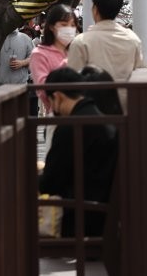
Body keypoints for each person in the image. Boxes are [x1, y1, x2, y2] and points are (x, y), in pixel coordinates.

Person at [39, 66, 118, 238]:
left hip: (80, 219)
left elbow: (49, 184)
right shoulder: (103, 119)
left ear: (58, 96)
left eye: (51, 101)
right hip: (104, 213)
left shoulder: (70, 128)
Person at [67, 0, 144, 108]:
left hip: (91, 109)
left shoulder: (82, 42)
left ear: (95, 10)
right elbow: (139, 71)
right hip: (125, 107)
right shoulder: (132, 39)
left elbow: (72, 79)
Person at [29, 4, 78, 115]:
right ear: (51, 26)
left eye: (73, 25)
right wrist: (67, 65)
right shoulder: (39, 54)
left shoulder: (77, 49)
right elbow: (43, 91)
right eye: (64, 25)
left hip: (84, 115)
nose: (69, 29)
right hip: (57, 116)